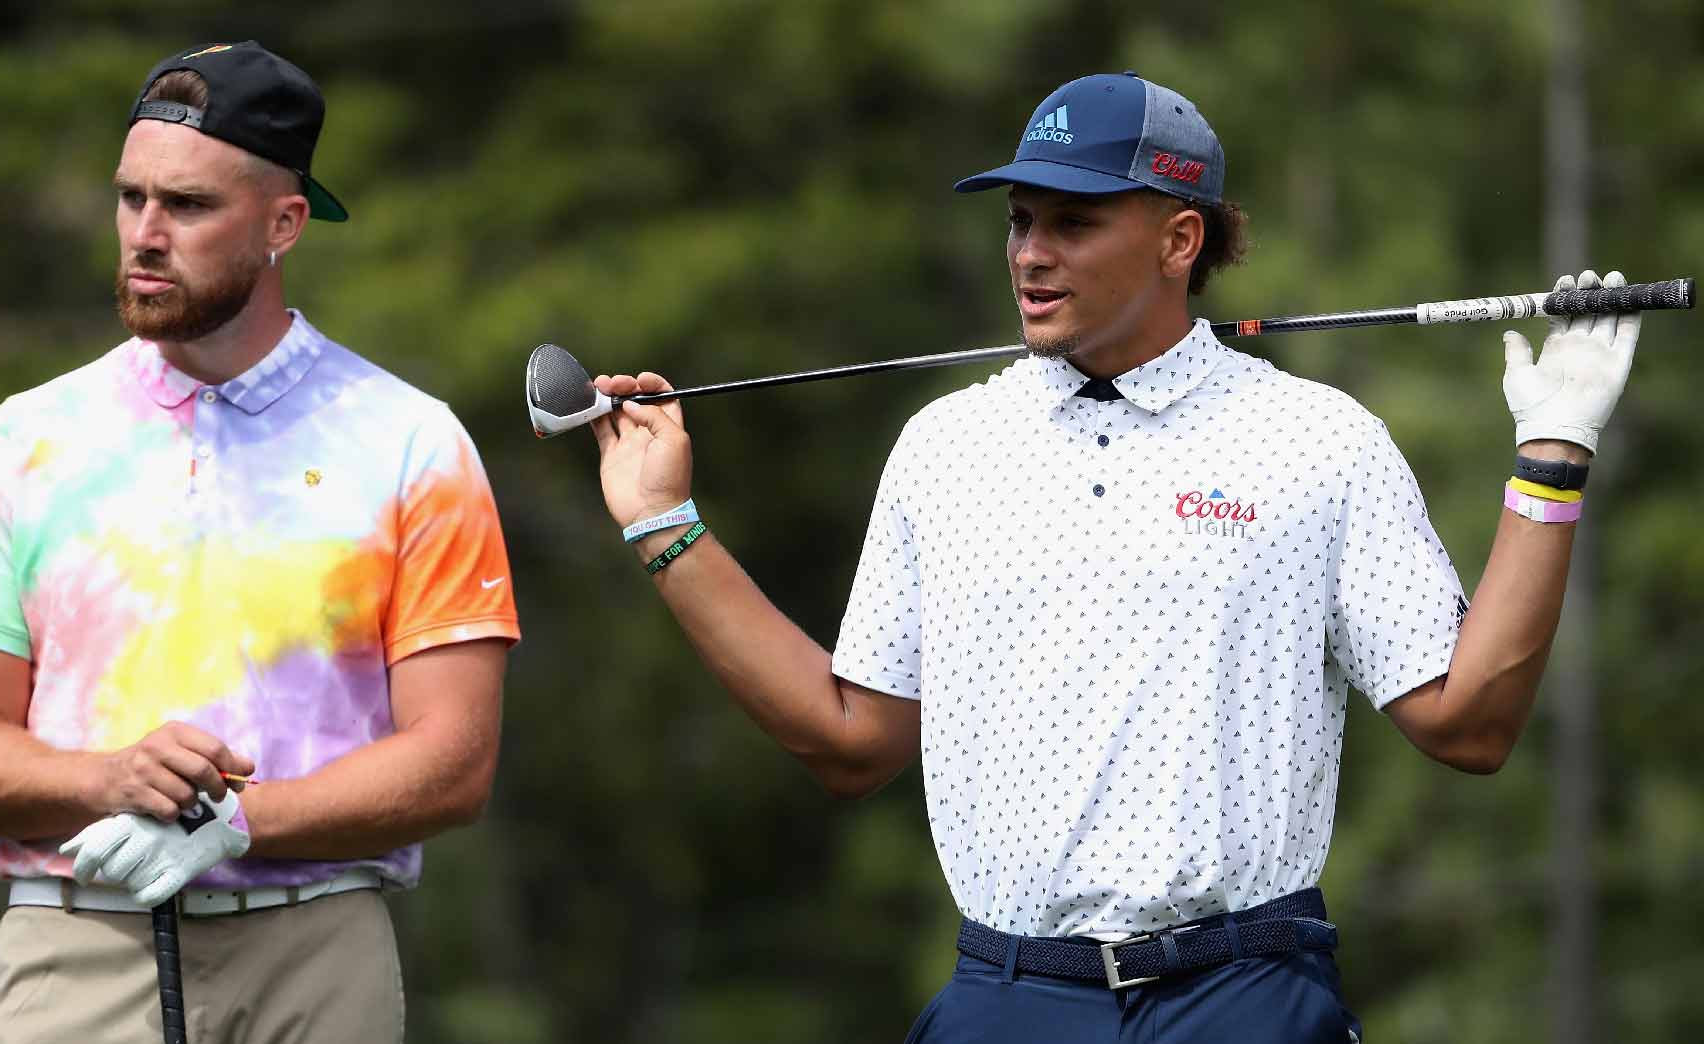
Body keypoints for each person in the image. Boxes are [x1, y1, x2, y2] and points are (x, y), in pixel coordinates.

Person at [587, 72, 1637, 1042]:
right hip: (1006, 998)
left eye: (1073, 222)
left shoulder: (1318, 440)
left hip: (1242, 996)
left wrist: (1551, 454)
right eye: (1018, 221)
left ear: (1178, 239)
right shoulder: (943, 449)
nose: (1030, 253)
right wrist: (661, 524)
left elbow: (1469, 725)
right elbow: (851, 742)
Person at [0, 41, 520, 1044]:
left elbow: (453, 763)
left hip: (313, 952)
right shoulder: (22, 441)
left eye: (187, 207)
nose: (144, 236)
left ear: (284, 224)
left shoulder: (411, 441)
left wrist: (240, 823)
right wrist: (103, 779)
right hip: (72, 955)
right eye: (129, 198)